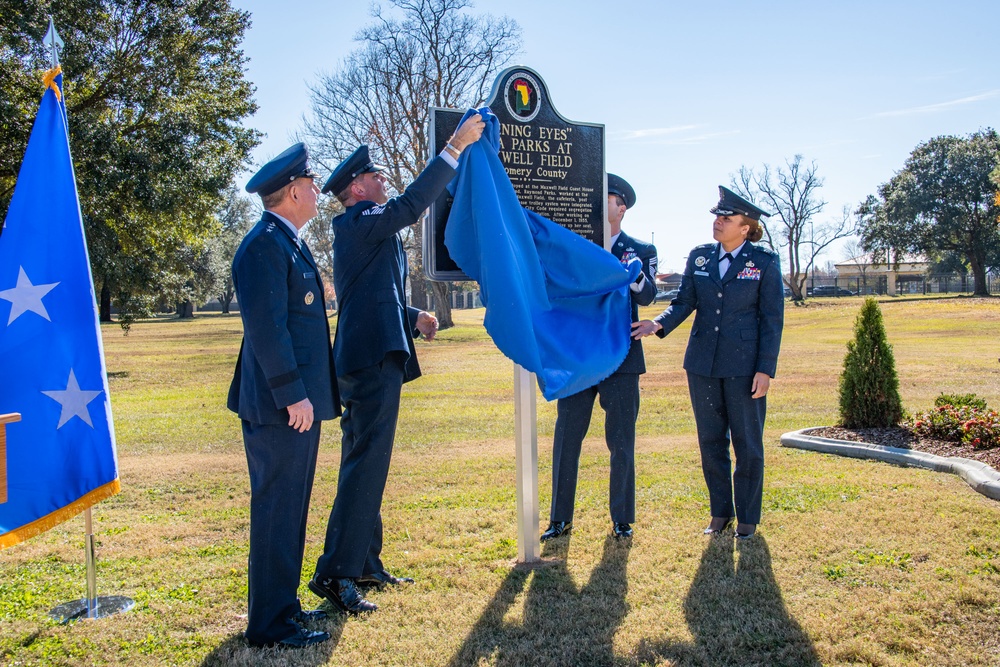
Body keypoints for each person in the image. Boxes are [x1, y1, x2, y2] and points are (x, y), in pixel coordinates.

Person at [309, 114, 485, 614]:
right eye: (377, 176)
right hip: (368, 363)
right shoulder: (359, 222)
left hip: (373, 354)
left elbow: (370, 297)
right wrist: (453, 147)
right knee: (365, 464)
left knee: (368, 463)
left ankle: (364, 562)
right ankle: (336, 573)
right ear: (356, 187)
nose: (384, 180)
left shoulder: (365, 231)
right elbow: (411, 205)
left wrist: (414, 316)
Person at [228, 143, 339, 648]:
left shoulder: (286, 241)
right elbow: (267, 330)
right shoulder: (264, 246)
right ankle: (269, 626)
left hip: (296, 406)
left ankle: (283, 609)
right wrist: (294, 395)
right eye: (312, 184)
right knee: (277, 511)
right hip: (281, 409)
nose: (317, 191)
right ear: (293, 191)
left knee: (290, 510)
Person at [632, 186, 784, 541]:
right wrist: (659, 323)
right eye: (717, 216)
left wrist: (765, 369)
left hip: (745, 368)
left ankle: (747, 518)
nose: (718, 222)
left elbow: (772, 319)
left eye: (726, 218)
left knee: (747, 443)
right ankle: (720, 514)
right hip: (702, 364)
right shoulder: (700, 257)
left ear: (745, 227)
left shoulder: (763, 262)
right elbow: (685, 301)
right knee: (710, 441)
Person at [540, 174, 658, 543]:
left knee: (622, 442)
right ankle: (560, 519)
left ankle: (622, 520)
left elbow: (649, 296)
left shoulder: (641, 249)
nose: (595, 199)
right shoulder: (574, 243)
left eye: (604, 196)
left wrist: (631, 276)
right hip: (579, 357)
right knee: (566, 440)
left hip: (621, 358)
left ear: (620, 207)